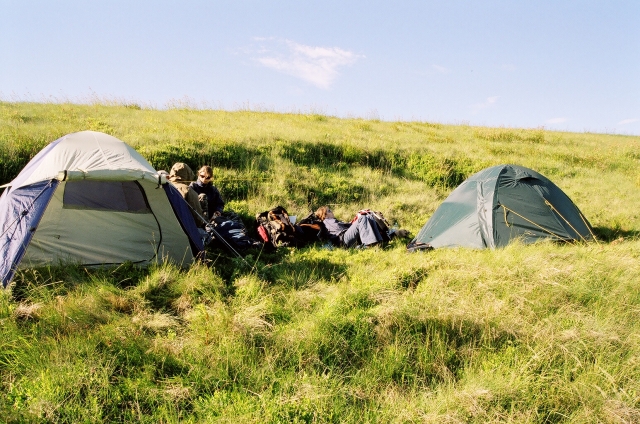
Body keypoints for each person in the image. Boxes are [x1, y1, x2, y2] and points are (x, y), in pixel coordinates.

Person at [315, 206, 384, 248]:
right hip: (342, 240)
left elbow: (346, 226)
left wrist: (354, 221)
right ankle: (370, 244)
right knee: (363, 218)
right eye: (329, 211)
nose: (332, 212)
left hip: (345, 237)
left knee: (368, 216)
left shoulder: (331, 221)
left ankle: (378, 242)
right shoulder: (327, 221)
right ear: (325, 215)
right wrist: (356, 221)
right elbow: (340, 228)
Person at [167, 162, 207, 228]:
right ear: (188, 175)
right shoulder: (188, 190)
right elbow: (198, 220)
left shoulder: (163, 186)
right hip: (184, 228)